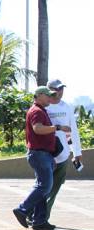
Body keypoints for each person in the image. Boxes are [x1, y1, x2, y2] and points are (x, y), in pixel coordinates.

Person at [12, 86, 70, 230]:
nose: (51, 98)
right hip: (40, 154)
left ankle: (39, 221)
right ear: (39, 96)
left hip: (44, 154)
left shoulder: (41, 110)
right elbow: (38, 128)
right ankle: (22, 209)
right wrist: (57, 127)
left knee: (43, 187)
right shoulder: (37, 111)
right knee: (44, 186)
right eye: (48, 95)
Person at [45, 79, 83, 221]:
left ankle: (43, 217)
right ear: (50, 90)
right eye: (57, 89)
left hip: (63, 155)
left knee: (54, 189)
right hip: (46, 155)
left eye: (62, 89)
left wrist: (77, 152)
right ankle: (33, 214)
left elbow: (73, 131)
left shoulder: (66, 107)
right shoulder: (44, 107)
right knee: (43, 187)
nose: (60, 92)